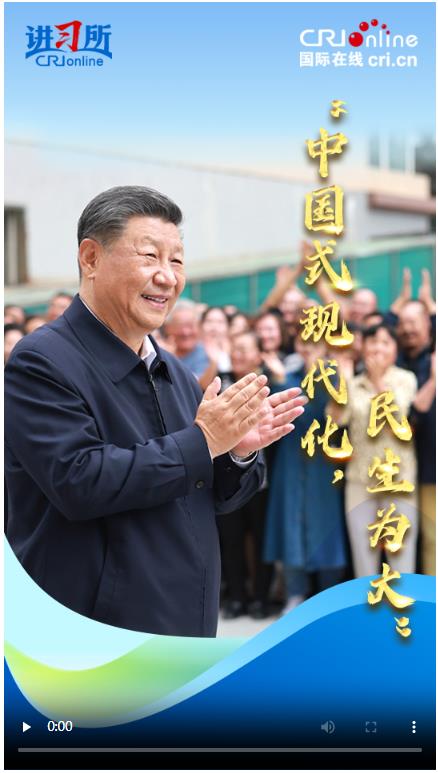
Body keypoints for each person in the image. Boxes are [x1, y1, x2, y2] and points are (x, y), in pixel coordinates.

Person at [5, 185, 306, 638]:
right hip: (99, 635)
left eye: (177, 260)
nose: (167, 276)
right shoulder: (41, 361)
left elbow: (211, 493)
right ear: (90, 258)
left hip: (186, 626)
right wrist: (204, 442)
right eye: (149, 256)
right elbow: (79, 481)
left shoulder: (175, 372)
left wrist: (236, 452)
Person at [264, 336, 347, 612]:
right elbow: (281, 411)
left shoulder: (334, 375)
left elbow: (321, 413)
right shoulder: (287, 371)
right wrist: (281, 379)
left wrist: (287, 380)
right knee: (291, 524)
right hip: (290, 460)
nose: (308, 348)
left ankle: (329, 595)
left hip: (322, 463)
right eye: (303, 342)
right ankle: (295, 593)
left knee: (326, 525)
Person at [328, 324, 419, 578]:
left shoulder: (405, 379)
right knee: (363, 556)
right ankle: (366, 605)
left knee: (401, 556)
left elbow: (399, 420)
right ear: (363, 348)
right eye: (373, 342)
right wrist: (343, 383)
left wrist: (378, 381)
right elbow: (335, 420)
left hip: (399, 480)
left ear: (395, 350)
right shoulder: (354, 383)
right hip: (360, 480)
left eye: (385, 342)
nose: (378, 348)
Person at [397, 300, 436, 575]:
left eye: (413, 322)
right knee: (426, 539)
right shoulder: (397, 362)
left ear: (428, 324)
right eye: (402, 323)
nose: (407, 329)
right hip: (415, 468)